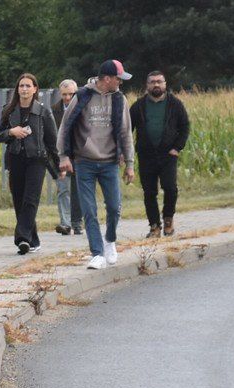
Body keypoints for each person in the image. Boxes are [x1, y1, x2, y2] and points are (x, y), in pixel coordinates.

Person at [58, 59, 134, 270]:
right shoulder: (82, 96)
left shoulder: (120, 99)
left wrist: (129, 163)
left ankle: (110, 240)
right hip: (84, 162)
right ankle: (97, 253)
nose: (121, 82)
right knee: (89, 210)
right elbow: (65, 127)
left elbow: (126, 133)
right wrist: (64, 156)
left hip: (110, 162)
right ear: (107, 79)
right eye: (119, 78)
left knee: (114, 207)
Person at [0, 72, 58, 254]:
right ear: (17, 89)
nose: (24, 89)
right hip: (15, 158)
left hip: (37, 160)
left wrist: (58, 164)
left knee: (30, 199)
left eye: (28, 86)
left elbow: (52, 141)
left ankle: (22, 237)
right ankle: (33, 240)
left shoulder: (43, 111)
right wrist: (11, 132)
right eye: (21, 86)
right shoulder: (8, 109)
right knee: (19, 200)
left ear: (35, 89)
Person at [130, 70, 190, 238]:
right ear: (147, 85)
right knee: (149, 192)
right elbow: (127, 130)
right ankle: (154, 226)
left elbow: (184, 127)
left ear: (165, 84)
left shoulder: (175, 104)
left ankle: (168, 219)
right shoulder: (138, 106)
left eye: (159, 81)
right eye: (152, 82)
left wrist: (177, 148)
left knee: (170, 188)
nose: (156, 84)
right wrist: (127, 152)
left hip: (168, 155)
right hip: (146, 155)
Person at [53, 78, 79, 235]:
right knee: (63, 190)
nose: (68, 98)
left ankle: (77, 222)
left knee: (79, 191)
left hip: (81, 156)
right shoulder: (53, 110)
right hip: (60, 156)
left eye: (71, 94)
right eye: (64, 94)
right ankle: (65, 223)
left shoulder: (83, 108)